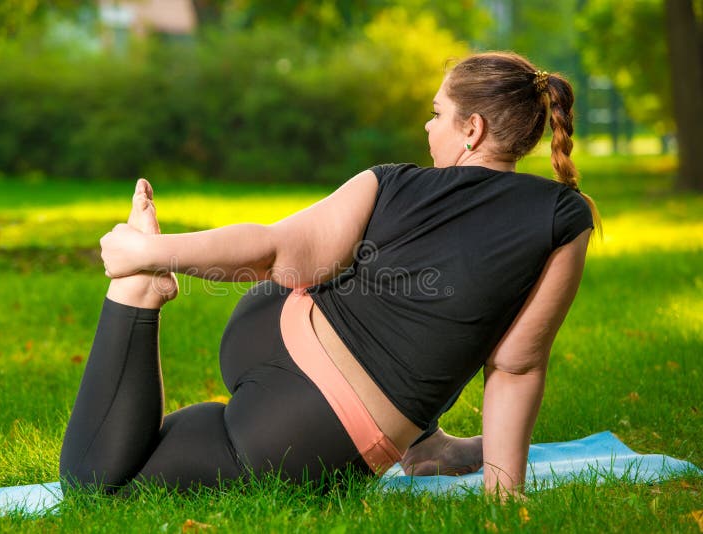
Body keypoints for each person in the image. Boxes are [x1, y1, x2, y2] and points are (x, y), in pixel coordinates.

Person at [59, 51, 600, 499]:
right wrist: (505, 494)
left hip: (287, 389)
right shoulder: (563, 216)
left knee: (93, 482)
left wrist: (151, 252)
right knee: (428, 307)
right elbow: (515, 367)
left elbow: (277, 254)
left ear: (472, 130)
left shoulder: (394, 182)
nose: (427, 125)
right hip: (318, 431)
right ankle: (424, 445)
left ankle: (138, 291)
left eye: (437, 114)